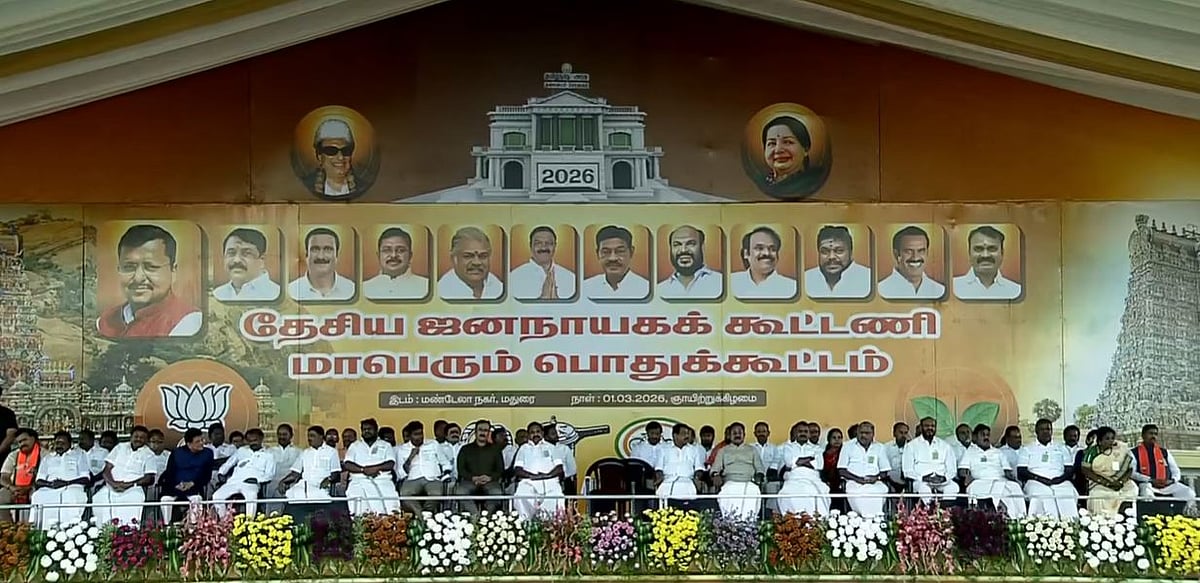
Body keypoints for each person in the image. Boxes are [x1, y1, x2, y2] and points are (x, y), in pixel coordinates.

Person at [97, 224, 202, 338]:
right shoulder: (104, 321)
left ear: (173, 270)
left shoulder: (189, 323)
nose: (138, 278)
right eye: (129, 267)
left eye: (151, 267)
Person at [957, 424, 1025, 518]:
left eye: (988, 435)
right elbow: (962, 470)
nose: (986, 437)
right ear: (975, 437)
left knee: (1015, 487)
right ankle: (1004, 516)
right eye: (983, 435)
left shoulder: (998, 452)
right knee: (978, 488)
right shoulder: (969, 452)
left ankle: (1019, 517)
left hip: (1000, 480)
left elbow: (1007, 471)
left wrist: (1014, 478)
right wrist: (966, 476)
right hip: (980, 481)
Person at [94, 426, 157, 525]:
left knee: (134, 499)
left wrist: (129, 485)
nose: (138, 439)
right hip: (111, 486)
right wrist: (113, 483)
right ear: (131, 436)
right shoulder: (120, 447)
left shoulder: (149, 454)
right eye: (136, 436)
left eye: (142, 437)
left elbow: (149, 478)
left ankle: (128, 532)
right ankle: (104, 532)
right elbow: (106, 470)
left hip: (133, 488)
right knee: (99, 498)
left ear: (146, 440)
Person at [1017, 419, 1078, 518]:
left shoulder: (1062, 448)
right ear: (1036, 431)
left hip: (1060, 481)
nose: (1045, 432)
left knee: (1067, 494)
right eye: (1042, 429)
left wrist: (1059, 479)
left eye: (1048, 429)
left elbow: (1069, 470)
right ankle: (1045, 524)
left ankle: (1070, 524)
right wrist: (1040, 479)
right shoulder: (1027, 449)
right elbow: (1021, 472)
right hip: (1035, 481)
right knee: (1042, 495)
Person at [30, 431, 90, 528]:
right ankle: (43, 529)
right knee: (37, 496)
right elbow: (39, 480)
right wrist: (51, 484)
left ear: (70, 444)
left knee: (70, 495)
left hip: (72, 487)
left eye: (62, 443)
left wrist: (66, 483)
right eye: (57, 443)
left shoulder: (79, 455)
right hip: (50, 488)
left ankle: (71, 529)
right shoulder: (47, 458)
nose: (59, 446)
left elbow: (86, 478)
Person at [212, 428, 276, 518]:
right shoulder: (241, 451)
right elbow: (228, 463)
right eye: (250, 441)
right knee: (217, 496)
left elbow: (270, 474)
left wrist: (257, 480)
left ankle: (249, 523)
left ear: (261, 439)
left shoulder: (269, 455)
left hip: (251, 483)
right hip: (234, 481)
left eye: (255, 440)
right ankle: (225, 521)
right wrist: (221, 473)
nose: (252, 443)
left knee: (251, 496)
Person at [343, 418, 400, 516]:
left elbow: (390, 463)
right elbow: (348, 464)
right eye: (364, 429)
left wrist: (375, 468)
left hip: (382, 481)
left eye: (369, 429)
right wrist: (363, 470)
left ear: (376, 430)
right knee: (359, 510)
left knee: (390, 508)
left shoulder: (386, 445)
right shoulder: (355, 446)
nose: (366, 431)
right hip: (359, 481)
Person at [1131, 424, 1196, 505]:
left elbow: (1175, 470)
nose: (1153, 436)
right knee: (1146, 493)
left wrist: (1172, 480)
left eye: (1155, 434)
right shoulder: (1134, 452)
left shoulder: (1164, 452)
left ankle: (1179, 512)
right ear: (1143, 435)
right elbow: (1132, 473)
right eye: (1150, 433)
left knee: (1189, 493)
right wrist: (1151, 480)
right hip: (1148, 484)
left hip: (1166, 485)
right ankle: (1150, 512)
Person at [158, 428, 214, 523]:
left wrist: (192, 483)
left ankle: (194, 527)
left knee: (197, 499)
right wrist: (177, 485)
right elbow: (169, 472)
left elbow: (207, 475)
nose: (201, 443)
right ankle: (167, 526)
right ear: (189, 444)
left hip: (195, 487)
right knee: (165, 499)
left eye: (202, 440)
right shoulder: (176, 453)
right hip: (175, 488)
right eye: (197, 441)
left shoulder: (208, 453)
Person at [711, 422, 765, 519]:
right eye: (734, 433)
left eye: (740, 433)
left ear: (744, 435)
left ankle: (749, 522)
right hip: (730, 482)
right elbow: (715, 469)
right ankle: (730, 522)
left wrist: (759, 476)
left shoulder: (752, 450)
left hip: (749, 482)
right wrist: (715, 475)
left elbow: (760, 468)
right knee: (726, 492)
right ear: (730, 435)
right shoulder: (723, 450)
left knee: (754, 491)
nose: (737, 435)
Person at [397, 421, 452, 515]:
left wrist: (445, 474)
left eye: (421, 433)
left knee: (436, 494)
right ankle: (422, 516)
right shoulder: (403, 449)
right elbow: (401, 472)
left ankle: (426, 513)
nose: (419, 437)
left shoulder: (433, 444)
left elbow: (445, 462)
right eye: (416, 434)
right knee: (404, 495)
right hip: (413, 479)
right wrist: (411, 457)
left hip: (432, 478)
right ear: (410, 436)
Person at [953, 225, 1022, 300]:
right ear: (969, 253)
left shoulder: (1016, 291)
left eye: (992, 249)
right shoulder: (953, 287)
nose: (985, 255)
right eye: (978, 249)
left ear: (1002, 253)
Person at [1080, 426, 1137, 517]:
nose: (1111, 441)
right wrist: (1105, 482)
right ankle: (1101, 520)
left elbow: (1129, 469)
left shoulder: (1119, 450)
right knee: (1098, 494)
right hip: (1098, 482)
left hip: (1119, 481)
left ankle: (1125, 518)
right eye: (1107, 439)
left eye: (1112, 438)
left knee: (1132, 488)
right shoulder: (1092, 451)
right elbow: (1085, 470)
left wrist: (1120, 482)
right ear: (1100, 441)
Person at [581, 225, 649, 300]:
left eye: (620, 251)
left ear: (631, 252)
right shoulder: (585, 287)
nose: (612, 258)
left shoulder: (645, 288)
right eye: (606, 252)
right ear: (598, 254)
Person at [837, 421, 890, 516]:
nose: (863, 435)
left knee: (878, 491)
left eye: (867, 433)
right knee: (859, 493)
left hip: (874, 482)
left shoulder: (880, 447)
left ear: (873, 434)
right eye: (861, 433)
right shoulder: (847, 446)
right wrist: (858, 479)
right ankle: (864, 518)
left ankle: (876, 518)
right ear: (857, 433)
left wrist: (876, 478)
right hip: (854, 482)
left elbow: (884, 471)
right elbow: (841, 470)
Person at [902, 417, 960, 504]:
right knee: (924, 489)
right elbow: (907, 471)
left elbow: (952, 470)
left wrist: (944, 478)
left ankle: (945, 510)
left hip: (941, 481)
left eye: (932, 426)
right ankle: (929, 509)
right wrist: (923, 478)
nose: (930, 428)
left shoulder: (945, 446)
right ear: (921, 427)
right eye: (926, 426)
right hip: (921, 481)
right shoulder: (911, 446)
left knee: (953, 487)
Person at [513, 422, 564, 519]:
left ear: (542, 433)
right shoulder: (523, 449)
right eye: (532, 432)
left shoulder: (551, 447)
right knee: (521, 495)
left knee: (555, 497)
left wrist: (545, 476)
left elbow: (559, 468)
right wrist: (533, 476)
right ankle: (526, 523)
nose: (535, 434)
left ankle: (550, 525)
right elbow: (518, 470)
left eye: (538, 431)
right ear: (528, 434)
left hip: (550, 482)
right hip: (529, 482)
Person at [288, 227, 356, 301]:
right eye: (315, 249)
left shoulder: (352, 290)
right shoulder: (290, 292)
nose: (321, 256)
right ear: (306, 255)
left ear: (336, 255)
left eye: (328, 249)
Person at [804, 225, 871, 299]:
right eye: (825, 251)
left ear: (851, 252)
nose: (831, 257)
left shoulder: (869, 278)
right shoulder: (805, 279)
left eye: (839, 251)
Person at [212, 228, 280, 301]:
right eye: (231, 253)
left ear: (262, 260)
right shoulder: (217, 295)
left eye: (246, 253)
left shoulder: (276, 295)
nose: (237, 260)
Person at [279, 426, 342, 504]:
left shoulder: (331, 452)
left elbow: (335, 473)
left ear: (321, 437)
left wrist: (328, 480)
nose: (309, 439)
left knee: (314, 496)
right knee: (292, 495)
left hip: (321, 486)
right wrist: (283, 481)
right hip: (304, 486)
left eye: (312, 436)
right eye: (308, 436)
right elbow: (295, 473)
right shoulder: (305, 453)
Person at [878, 226, 945, 300]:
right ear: (896, 254)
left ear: (927, 253)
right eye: (908, 251)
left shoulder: (940, 292)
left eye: (921, 251)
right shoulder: (880, 292)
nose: (915, 257)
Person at [510, 226, 576, 301]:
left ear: (555, 246)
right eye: (538, 243)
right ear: (530, 246)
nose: (543, 247)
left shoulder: (571, 278)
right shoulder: (513, 278)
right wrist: (543, 299)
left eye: (548, 243)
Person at [657, 225, 723, 300]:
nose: (683, 250)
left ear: (702, 247)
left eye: (691, 243)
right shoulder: (659, 290)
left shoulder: (720, 282)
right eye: (677, 245)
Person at [777, 423, 830, 515]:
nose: (803, 434)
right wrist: (810, 459)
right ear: (795, 433)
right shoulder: (788, 447)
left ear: (809, 434)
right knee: (787, 492)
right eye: (800, 431)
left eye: (805, 431)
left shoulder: (817, 448)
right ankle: (793, 519)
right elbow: (789, 462)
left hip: (812, 479)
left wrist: (798, 461)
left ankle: (816, 519)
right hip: (794, 479)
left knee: (818, 491)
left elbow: (819, 465)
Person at [730, 226, 796, 300]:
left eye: (772, 249)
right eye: (759, 248)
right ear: (746, 254)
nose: (766, 253)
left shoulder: (792, 287)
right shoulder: (730, 282)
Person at [437, 227, 504, 300]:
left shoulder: (500, 288)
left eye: (483, 256)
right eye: (468, 256)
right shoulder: (440, 292)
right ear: (454, 259)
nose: (477, 262)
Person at [363, 227, 430, 300]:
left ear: (410, 255)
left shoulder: (427, 287)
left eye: (400, 250)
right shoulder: (364, 289)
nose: (393, 255)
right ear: (378, 255)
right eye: (387, 250)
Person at [305, 118, 365, 198]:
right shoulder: (304, 187)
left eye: (345, 150)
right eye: (331, 151)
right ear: (319, 157)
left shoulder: (363, 186)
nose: (340, 157)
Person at [455, 419, 504, 515]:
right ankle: (475, 515)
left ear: (489, 433)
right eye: (480, 430)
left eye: (485, 430)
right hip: (470, 481)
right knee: (460, 492)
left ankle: (486, 517)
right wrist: (473, 478)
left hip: (490, 481)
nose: (482, 433)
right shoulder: (465, 449)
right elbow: (461, 469)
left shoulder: (495, 449)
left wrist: (490, 478)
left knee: (497, 493)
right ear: (475, 432)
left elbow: (500, 469)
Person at [758, 116, 815, 197]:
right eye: (772, 143)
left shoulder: (813, 183)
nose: (778, 150)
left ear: (805, 149)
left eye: (787, 142)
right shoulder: (760, 184)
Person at [654, 423, 704, 507]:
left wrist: (697, 478)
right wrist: (659, 478)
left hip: (687, 482)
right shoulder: (663, 449)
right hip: (668, 481)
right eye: (684, 434)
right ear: (675, 435)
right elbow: (658, 469)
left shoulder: (694, 450)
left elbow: (699, 469)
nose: (687, 436)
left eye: (687, 433)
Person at [0, 428, 40, 522]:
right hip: (14, 488)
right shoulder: (13, 455)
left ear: (33, 439)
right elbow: (3, 477)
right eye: (19, 442)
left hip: (35, 488)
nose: (22, 444)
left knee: (39, 496)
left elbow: (46, 479)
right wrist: (11, 487)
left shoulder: (44, 455)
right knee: (1, 496)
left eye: (24, 440)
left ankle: (34, 526)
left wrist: (28, 488)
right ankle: (8, 526)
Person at [266, 424, 300, 512]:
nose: (282, 437)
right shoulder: (269, 451)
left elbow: (298, 471)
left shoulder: (299, 452)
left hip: (292, 483)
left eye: (284, 434)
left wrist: (286, 482)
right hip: (272, 484)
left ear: (291, 435)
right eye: (279, 434)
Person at [821, 428, 846, 512]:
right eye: (834, 438)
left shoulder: (845, 453)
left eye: (839, 437)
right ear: (829, 440)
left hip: (841, 481)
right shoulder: (824, 454)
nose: (837, 440)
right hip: (827, 482)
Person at [882, 422, 909, 492]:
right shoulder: (886, 447)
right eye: (901, 432)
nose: (903, 435)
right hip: (890, 481)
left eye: (906, 433)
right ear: (894, 433)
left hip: (908, 480)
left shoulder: (911, 447)